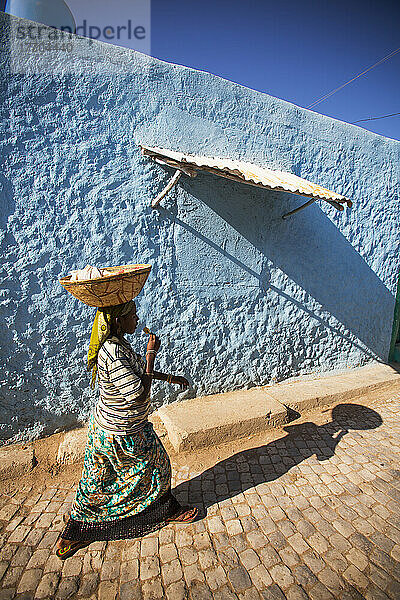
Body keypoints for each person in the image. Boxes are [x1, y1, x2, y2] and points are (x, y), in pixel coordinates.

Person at [55, 299, 198, 559]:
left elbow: (136, 375)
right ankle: (74, 531)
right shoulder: (113, 351)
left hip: (124, 428)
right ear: (118, 321)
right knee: (100, 483)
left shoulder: (119, 345)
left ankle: (161, 510)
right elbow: (137, 394)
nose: (137, 318)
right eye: (132, 314)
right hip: (118, 433)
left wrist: (168, 377)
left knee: (116, 477)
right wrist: (151, 355)